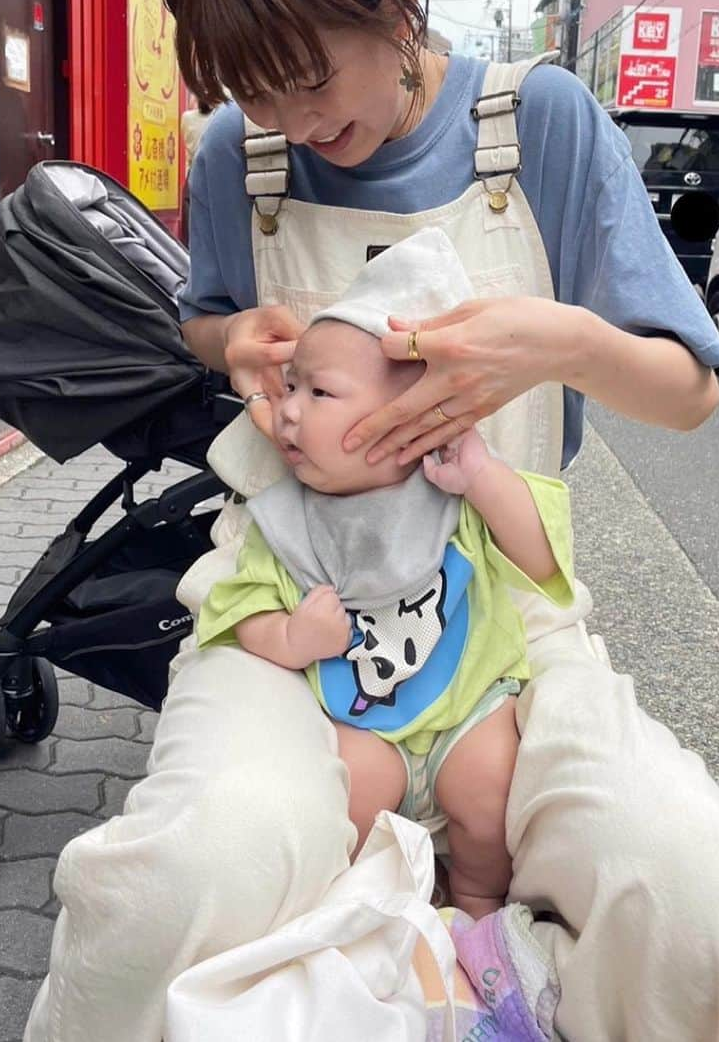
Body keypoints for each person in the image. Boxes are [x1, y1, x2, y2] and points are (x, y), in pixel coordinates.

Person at [25, 0, 719, 1042]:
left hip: (508, 614)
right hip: (286, 600)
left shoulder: (537, 125)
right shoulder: (245, 155)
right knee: (171, 881)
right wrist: (230, 346)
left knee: (701, 906)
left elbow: (689, 390)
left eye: (307, 75)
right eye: (251, 89)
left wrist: (553, 341)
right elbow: (204, 317)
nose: (288, 116)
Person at [197, 229, 575, 923]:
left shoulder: (450, 491)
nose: (286, 410)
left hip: (469, 704)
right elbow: (238, 609)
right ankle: (370, 909)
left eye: (319, 392)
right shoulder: (289, 517)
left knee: (491, 793)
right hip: (363, 726)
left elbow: (543, 558)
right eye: (289, 388)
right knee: (340, 799)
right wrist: (289, 637)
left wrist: (484, 478)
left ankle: (478, 904)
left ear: (412, 418)